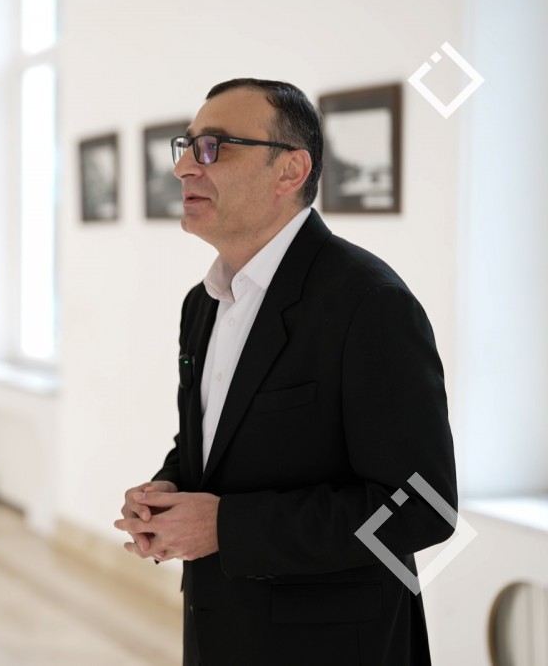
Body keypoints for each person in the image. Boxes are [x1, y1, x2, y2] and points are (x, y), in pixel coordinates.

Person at [113, 79, 457, 665]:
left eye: (213, 147)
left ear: (290, 170)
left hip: (334, 646)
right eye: (186, 146)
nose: (184, 168)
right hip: (219, 631)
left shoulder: (369, 303)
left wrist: (227, 528)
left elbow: (422, 507)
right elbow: (215, 445)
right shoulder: (203, 303)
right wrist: (168, 492)